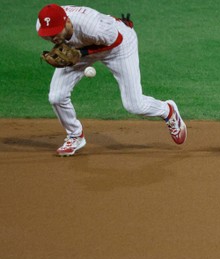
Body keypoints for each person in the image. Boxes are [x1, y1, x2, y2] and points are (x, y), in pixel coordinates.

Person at [36, 4, 187, 156]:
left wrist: (81, 52)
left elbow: (115, 41)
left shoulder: (91, 26)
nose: (52, 37)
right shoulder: (42, 27)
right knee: (56, 97)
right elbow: (60, 39)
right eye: (49, 33)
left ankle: (168, 111)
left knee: (134, 105)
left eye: (56, 32)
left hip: (118, 47)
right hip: (80, 50)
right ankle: (75, 136)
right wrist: (76, 53)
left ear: (67, 22)